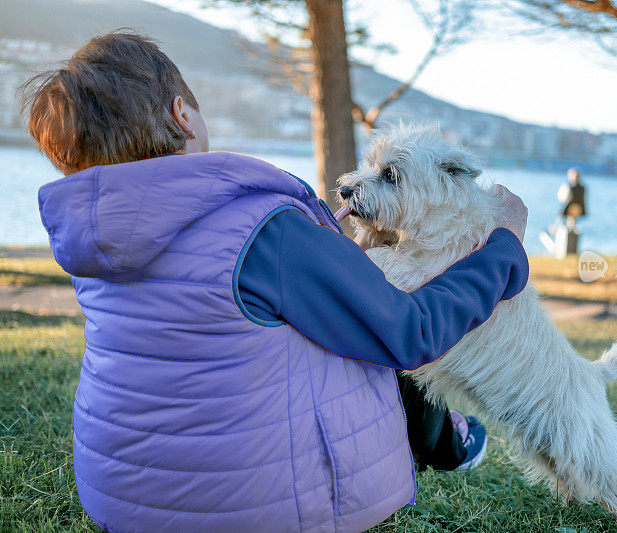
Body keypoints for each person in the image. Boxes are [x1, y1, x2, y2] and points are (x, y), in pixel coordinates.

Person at [23, 32, 529, 532]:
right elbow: (411, 332)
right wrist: (504, 246)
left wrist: (327, 257)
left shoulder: (91, 239)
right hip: (254, 510)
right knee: (375, 326)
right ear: (182, 114)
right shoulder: (265, 230)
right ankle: (451, 440)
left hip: (122, 498)